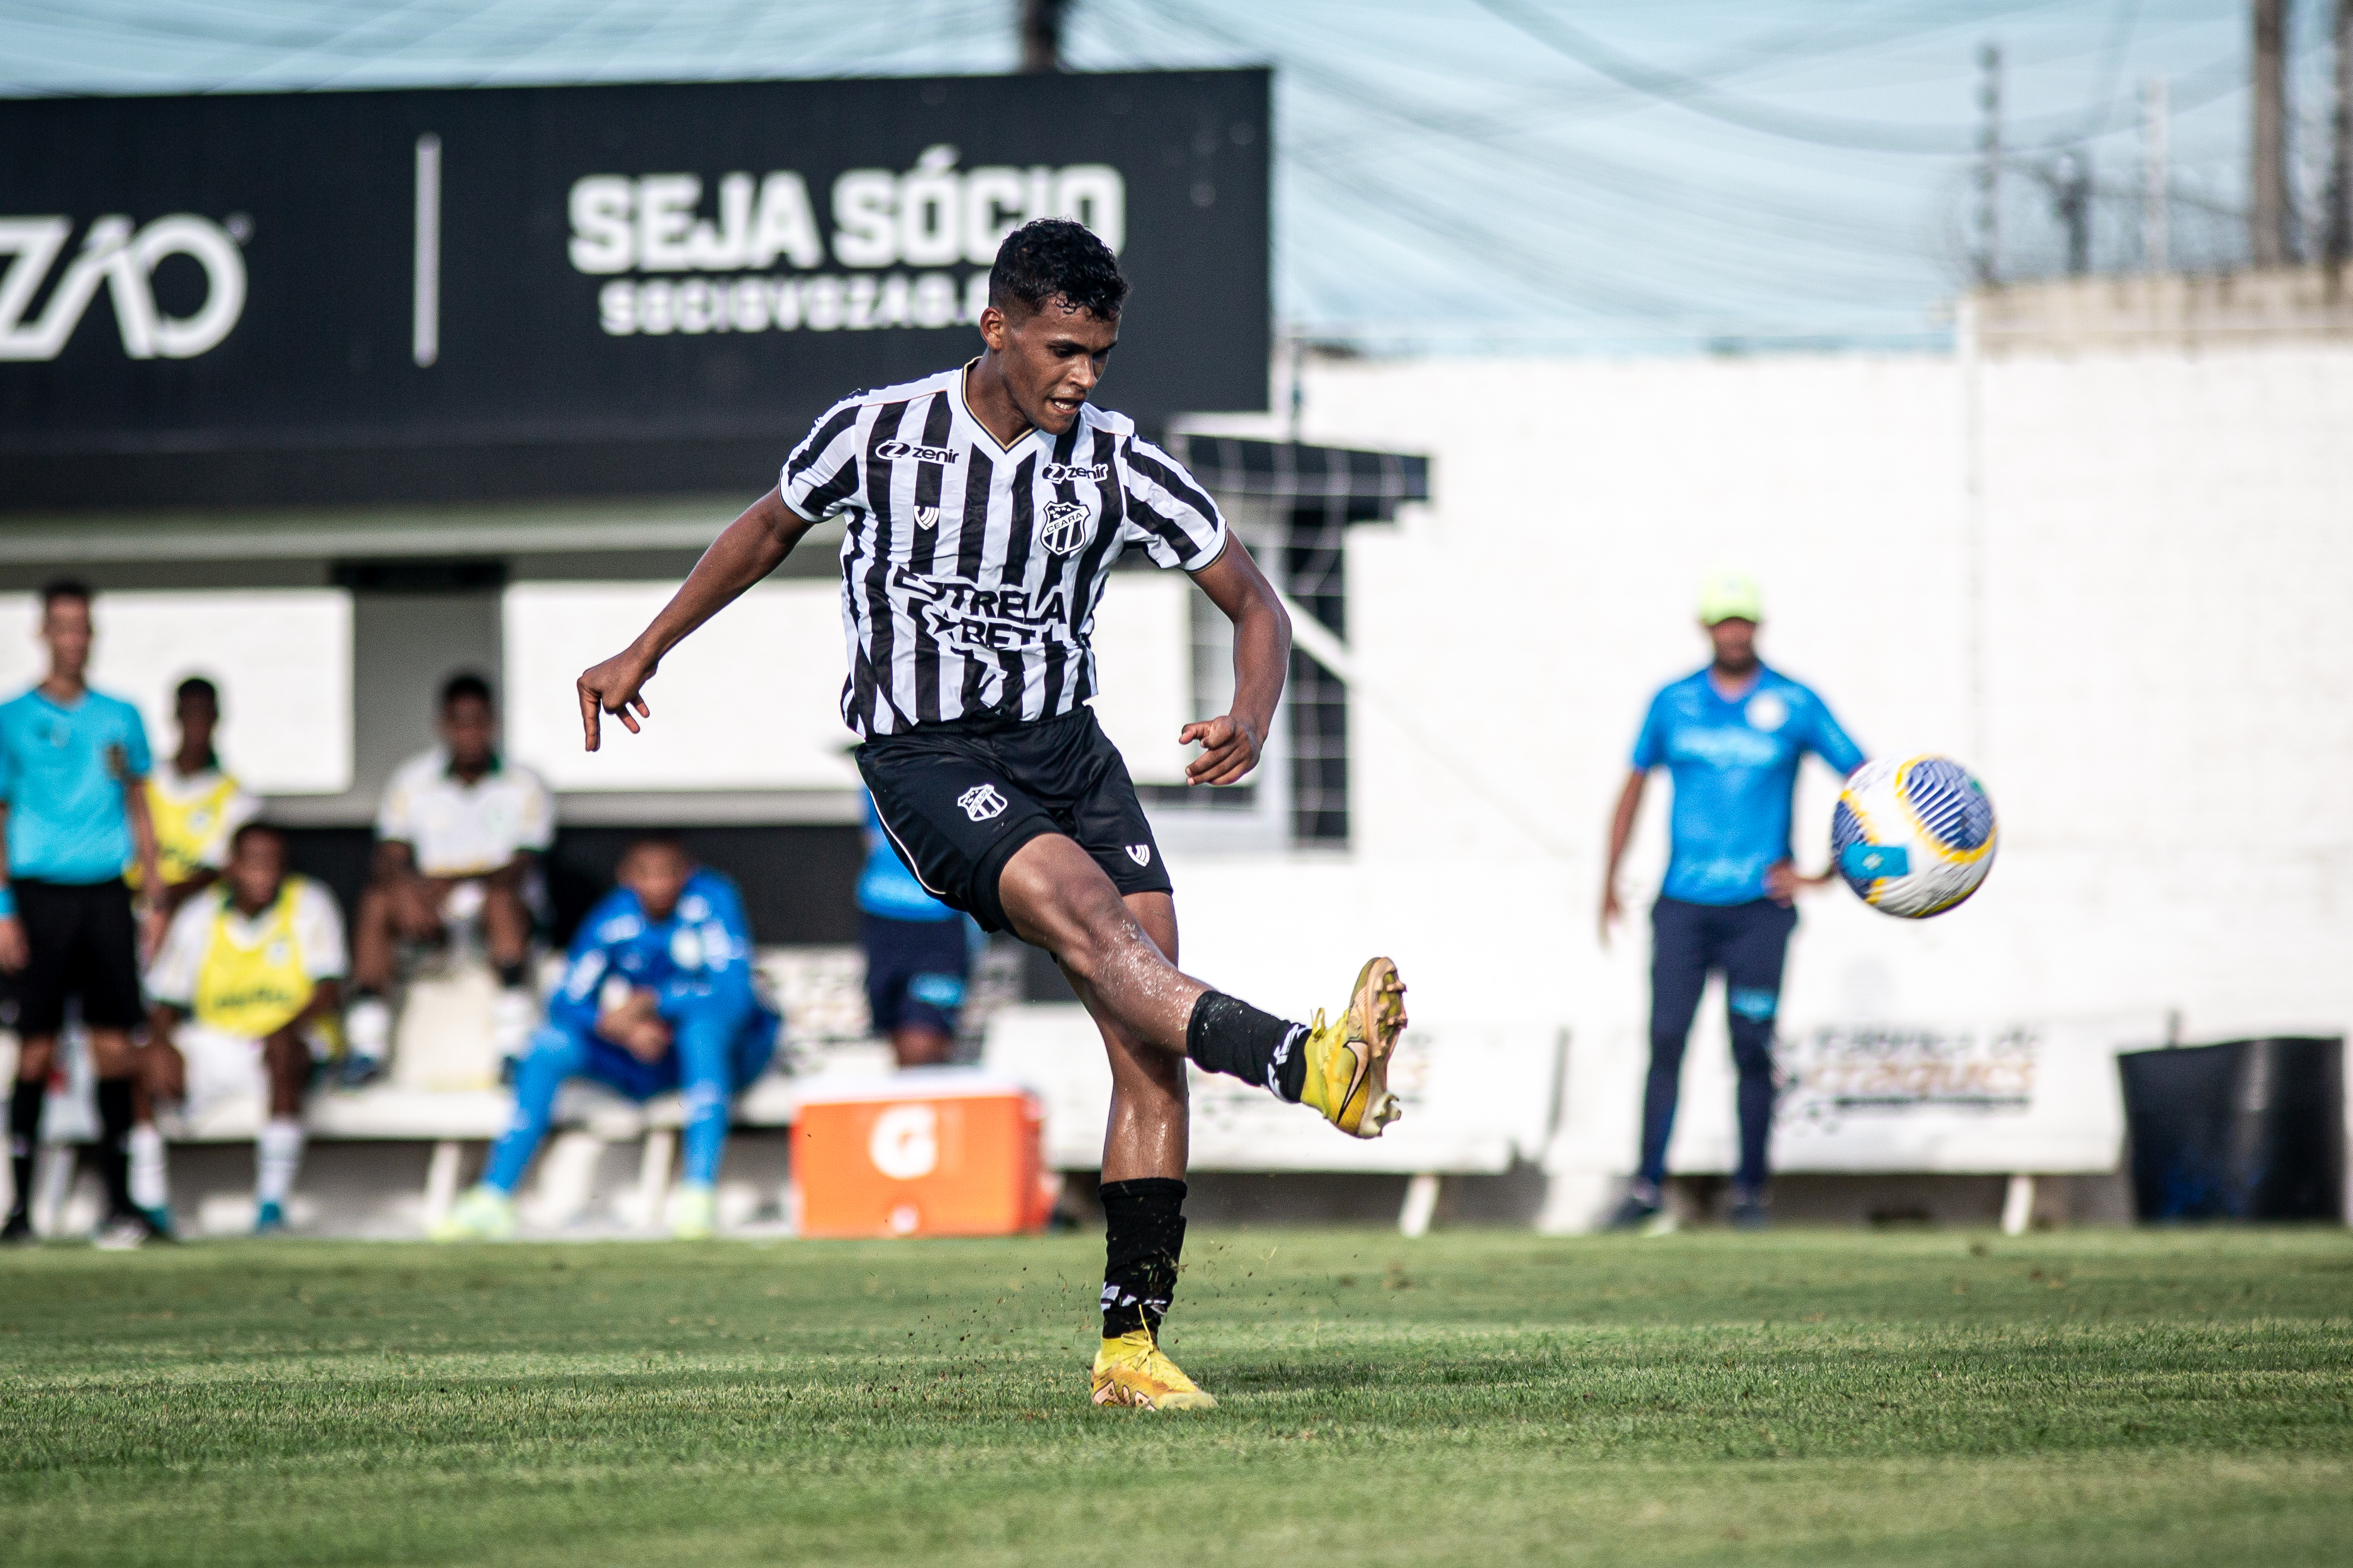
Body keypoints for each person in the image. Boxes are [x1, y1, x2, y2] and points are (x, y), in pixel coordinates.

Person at [574, 218, 1410, 1411]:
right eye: (1063, 350)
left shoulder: (1116, 461)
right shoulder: (877, 433)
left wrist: (1251, 714)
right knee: (1091, 926)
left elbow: (1253, 600)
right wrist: (642, 649)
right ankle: (1301, 1061)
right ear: (996, 327)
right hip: (927, 755)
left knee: (1147, 1020)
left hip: (1067, 749)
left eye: (1100, 356)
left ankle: (1129, 1349)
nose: (1082, 377)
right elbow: (765, 528)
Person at [1599, 570, 1865, 1231]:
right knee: (1665, 1041)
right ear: (1706, 628)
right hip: (1683, 905)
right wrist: (1607, 876)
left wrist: (1824, 873)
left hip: (1758, 912)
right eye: (1723, 622)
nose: (1733, 633)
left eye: (1743, 622)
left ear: (1757, 627)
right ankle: (1645, 1188)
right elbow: (1631, 787)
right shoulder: (1672, 701)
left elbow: (1865, 782)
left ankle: (1750, 1194)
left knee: (1750, 1046)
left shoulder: (1794, 702)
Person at [433, 836, 778, 1242]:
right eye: (645, 875)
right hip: (646, 1050)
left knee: (702, 1031)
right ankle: (493, 1197)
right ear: (626, 877)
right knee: (548, 1047)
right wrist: (620, 1026)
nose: (658, 886)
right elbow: (566, 999)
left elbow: (735, 997)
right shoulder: (613, 917)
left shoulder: (712, 902)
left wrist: (652, 1002)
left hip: (727, 1053)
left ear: (686, 872)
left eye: (668, 874)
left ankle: (697, 1195)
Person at [0, 580, 167, 1248]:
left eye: (82, 627)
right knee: (36, 1049)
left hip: (105, 894)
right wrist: (5, 908)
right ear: (44, 633)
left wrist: (152, 896)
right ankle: (20, 1211)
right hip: (39, 895)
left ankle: (123, 1204)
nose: (73, 638)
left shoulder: (121, 715)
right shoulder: (11, 717)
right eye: (61, 626)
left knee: (114, 1051)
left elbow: (140, 806)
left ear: (92, 634)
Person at [344, 673, 553, 1087]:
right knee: (377, 901)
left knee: (498, 896)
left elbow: (520, 865)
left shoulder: (525, 784)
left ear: (493, 722)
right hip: (431, 914)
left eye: (478, 721)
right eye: (460, 721)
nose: (470, 732)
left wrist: (450, 881)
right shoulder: (411, 780)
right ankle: (366, 1047)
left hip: (503, 916)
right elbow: (391, 855)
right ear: (443, 724)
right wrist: (406, 891)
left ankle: (512, 1048)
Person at [137, 822, 345, 1235]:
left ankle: (271, 1206)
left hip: (289, 1042)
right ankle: (148, 1205)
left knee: (284, 1048)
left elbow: (330, 987)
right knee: (143, 1061)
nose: (266, 875)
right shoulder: (199, 914)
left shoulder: (310, 902)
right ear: (231, 867)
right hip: (218, 1041)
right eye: (255, 864)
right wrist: (161, 1044)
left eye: (274, 865)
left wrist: (284, 1028)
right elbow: (165, 1000)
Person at [857, 787, 978, 1069]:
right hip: (879, 912)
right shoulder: (876, 756)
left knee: (923, 1043)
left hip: (939, 919)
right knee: (900, 1038)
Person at [136, 676, 262, 919]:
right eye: (190, 714)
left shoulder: (237, 797)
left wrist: (163, 900)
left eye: (204, 714)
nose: (197, 723)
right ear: (176, 717)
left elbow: (225, 872)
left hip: (197, 920)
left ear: (217, 718)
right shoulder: (144, 783)